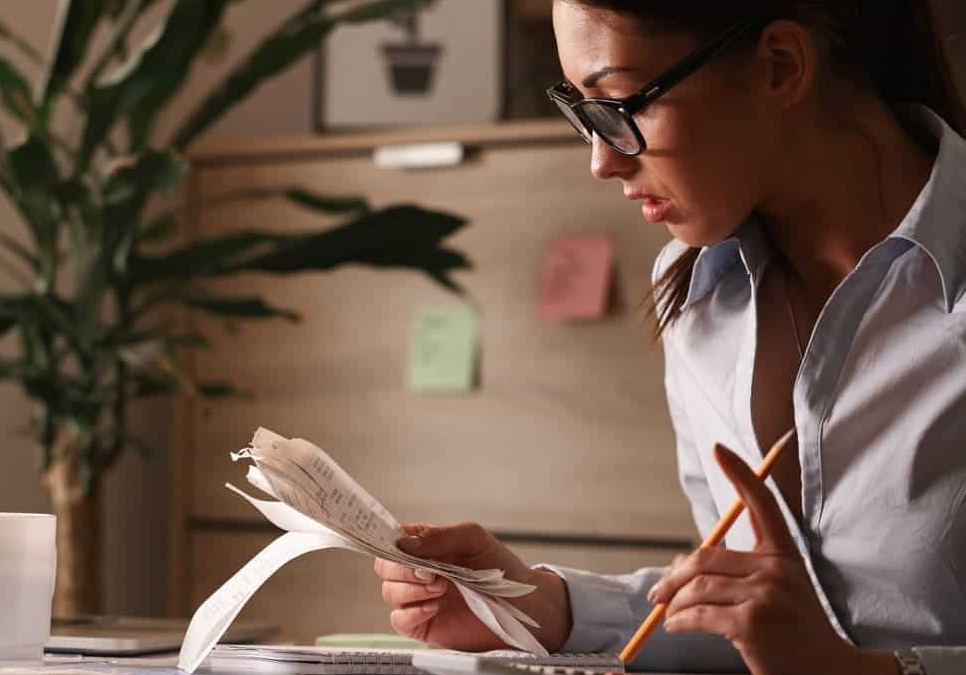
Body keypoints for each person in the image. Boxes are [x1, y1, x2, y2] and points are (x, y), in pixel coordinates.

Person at [374, 1, 966, 674]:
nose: (600, 159)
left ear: (779, 66)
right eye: (580, 108)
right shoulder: (697, 298)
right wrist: (541, 605)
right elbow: (743, 623)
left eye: (620, 102)